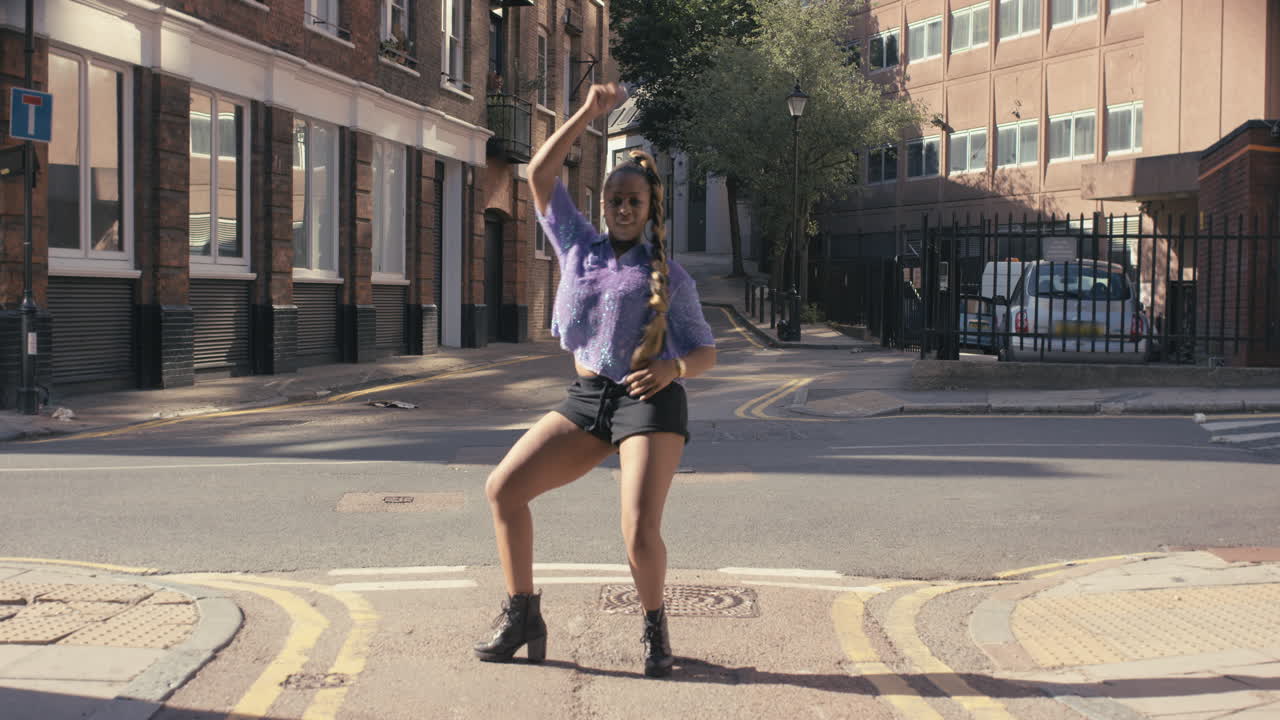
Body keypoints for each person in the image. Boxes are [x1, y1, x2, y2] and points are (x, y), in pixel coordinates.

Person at [473, 82, 718, 678]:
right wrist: (586, 113)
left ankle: (655, 628)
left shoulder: (670, 275)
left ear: (650, 206)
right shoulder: (578, 246)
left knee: (637, 530)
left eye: (633, 201)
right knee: (503, 490)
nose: (623, 209)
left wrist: (674, 367)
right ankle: (523, 614)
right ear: (602, 206)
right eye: (614, 201)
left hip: (648, 401)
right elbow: (538, 174)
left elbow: (706, 350)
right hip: (588, 399)